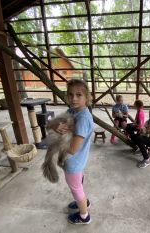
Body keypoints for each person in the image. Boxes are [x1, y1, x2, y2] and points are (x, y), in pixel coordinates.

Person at [56, 79, 93, 224]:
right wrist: (59, 127)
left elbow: (72, 149)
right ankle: (84, 201)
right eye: (70, 95)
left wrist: (58, 145)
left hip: (73, 161)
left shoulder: (83, 118)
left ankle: (84, 216)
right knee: (78, 185)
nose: (74, 98)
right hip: (78, 160)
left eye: (79, 95)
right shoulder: (72, 111)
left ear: (87, 97)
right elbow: (63, 122)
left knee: (76, 189)